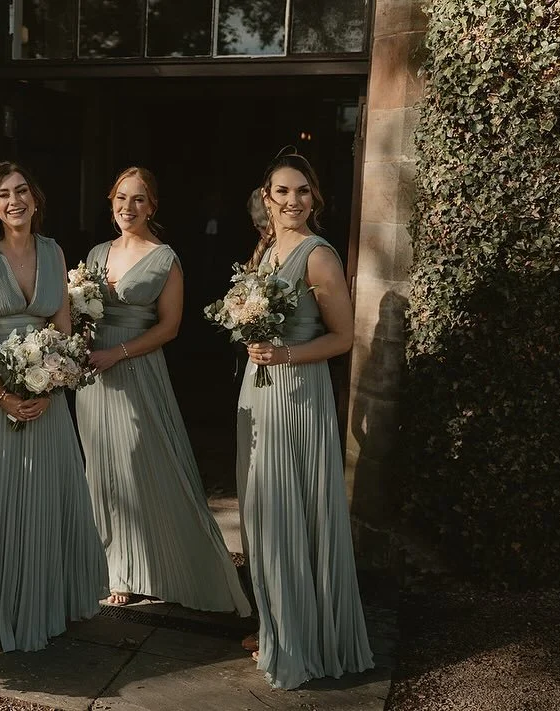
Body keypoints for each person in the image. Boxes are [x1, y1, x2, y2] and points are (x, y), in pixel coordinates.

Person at [0, 161, 108, 652]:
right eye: (2, 195)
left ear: (35, 198)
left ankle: (38, 601)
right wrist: (2, 394)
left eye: (21, 192)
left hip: (44, 394)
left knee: (42, 494)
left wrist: (51, 378)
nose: (13, 201)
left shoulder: (53, 251)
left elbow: (62, 327)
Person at [75, 167, 251, 616]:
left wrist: (119, 353)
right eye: (120, 198)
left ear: (152, 206)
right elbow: (81, 313)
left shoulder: (165, 258)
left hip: (136, 368)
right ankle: (115, 567)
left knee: (140, 462)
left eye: (137, 200)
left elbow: (170, 327)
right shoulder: (97, 252)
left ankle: (156, 566)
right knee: (101, 468)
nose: (126, 208)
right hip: (93, 374)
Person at [237, 149, 374, 689]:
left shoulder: (317, 255)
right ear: (266, 198)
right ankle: (275, 618)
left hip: (297, 393)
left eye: (303, 191)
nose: (293, 200)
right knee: (262, 509)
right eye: (283, 191)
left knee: (291, 506)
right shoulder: (266, 249)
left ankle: (299, 633)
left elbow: (343, 338)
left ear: (314, 198)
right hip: (259, 389)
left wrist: (286, 356)